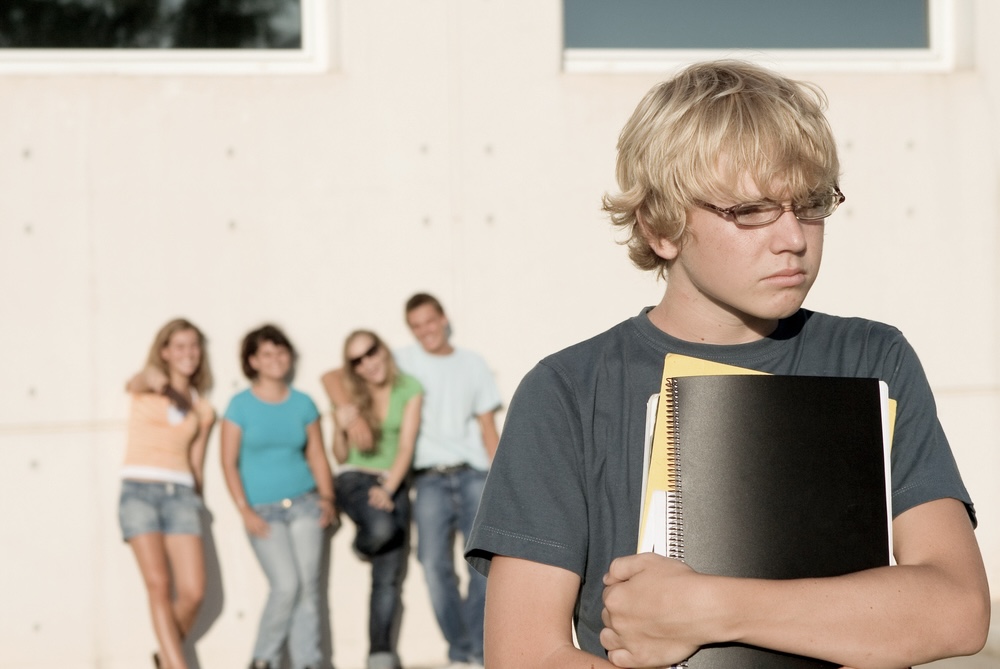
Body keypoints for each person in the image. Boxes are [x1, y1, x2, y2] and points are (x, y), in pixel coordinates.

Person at [465, 60, 990, 669]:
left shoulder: (872, 359)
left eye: (811, 204)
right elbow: (524, 654)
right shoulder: (568, 391)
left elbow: (958, 610)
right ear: (660, 227)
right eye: (750, 210)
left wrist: (710, 608)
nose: (792, 237)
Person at [322, 293, 502, 669]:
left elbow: (488, 428)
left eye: (430, 322)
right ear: (410, 330)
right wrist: (349, 417)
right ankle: (460, 649)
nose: (425, 331)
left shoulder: (473, 364)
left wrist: (503, 482)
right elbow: (333, 376)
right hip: (428, 480)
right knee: (433, 564)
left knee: (483, 564)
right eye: (416, 326)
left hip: (473, 474)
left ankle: (477, 652)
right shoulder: (399, 360)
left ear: (443, 318)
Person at [220, 324, 336, 669]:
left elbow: (316, 455)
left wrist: (327, 498)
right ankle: (263, 659)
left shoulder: (303, 403)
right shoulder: (239, 406)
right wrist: (244, 510)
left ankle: (308, 662)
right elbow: (228, 463)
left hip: (304, 505)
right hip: (263, 511)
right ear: (253, 361)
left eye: (281, 352)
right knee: (286, 586)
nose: (276, 360)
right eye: (267, 353)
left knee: (308, 589)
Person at [119, 318, 216, 669]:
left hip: (181, 496)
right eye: (179, 346)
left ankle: (164, 658)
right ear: (165, 352)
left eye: (193, 346)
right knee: (158, 585)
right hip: (138, 491)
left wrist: (199, 502)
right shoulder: (145, 385)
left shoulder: (202, 408)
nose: (188, 353)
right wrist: (163, 383)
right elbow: (142, 378)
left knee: (193, 592)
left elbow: (196, 463)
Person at [328, 330, 423, 669]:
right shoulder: (350, 394)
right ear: (352, 368)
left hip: (391, 480)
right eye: (358, 360)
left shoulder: (409, 388)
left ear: (383, 349)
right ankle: (362, 545)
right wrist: (340, 426)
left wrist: (389, 487)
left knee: (389, 574)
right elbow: (339, 455)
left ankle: (379, 655)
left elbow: (406, 446)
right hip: (354, 477)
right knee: (382, 530)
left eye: (371, 352)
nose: (368, 363)